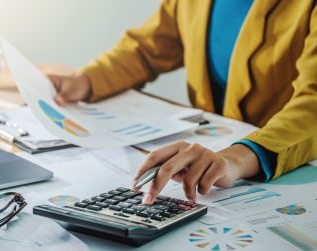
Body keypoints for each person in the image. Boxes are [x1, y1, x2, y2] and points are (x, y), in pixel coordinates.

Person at [48, 0, 317, 204]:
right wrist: (88, 80)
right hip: (210, 153)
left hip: (280, 162)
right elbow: (148, 48)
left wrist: (237, 157)